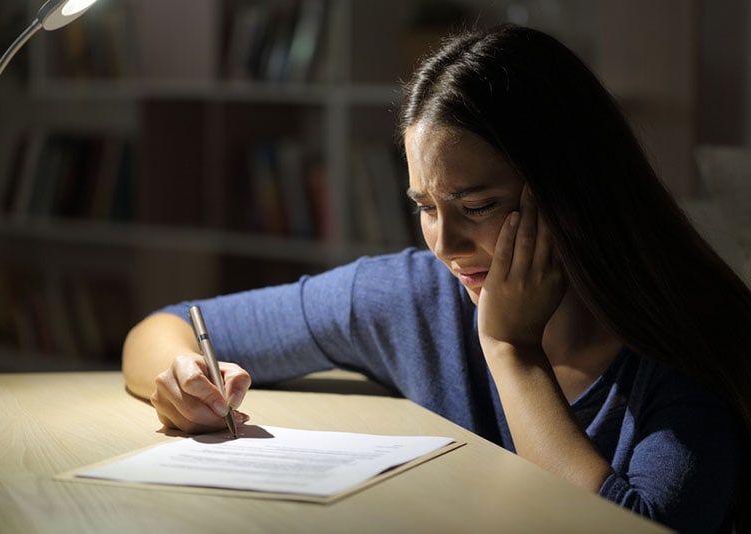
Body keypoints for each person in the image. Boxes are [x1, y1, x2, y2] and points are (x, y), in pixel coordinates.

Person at [122, 24, 751, 532]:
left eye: (476, 207)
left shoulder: (691, 349)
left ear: (572, 194)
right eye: (426, 207)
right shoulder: (414, 296)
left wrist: (510, 350)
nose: (446, 245)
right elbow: (165, 325)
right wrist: (180, 383)